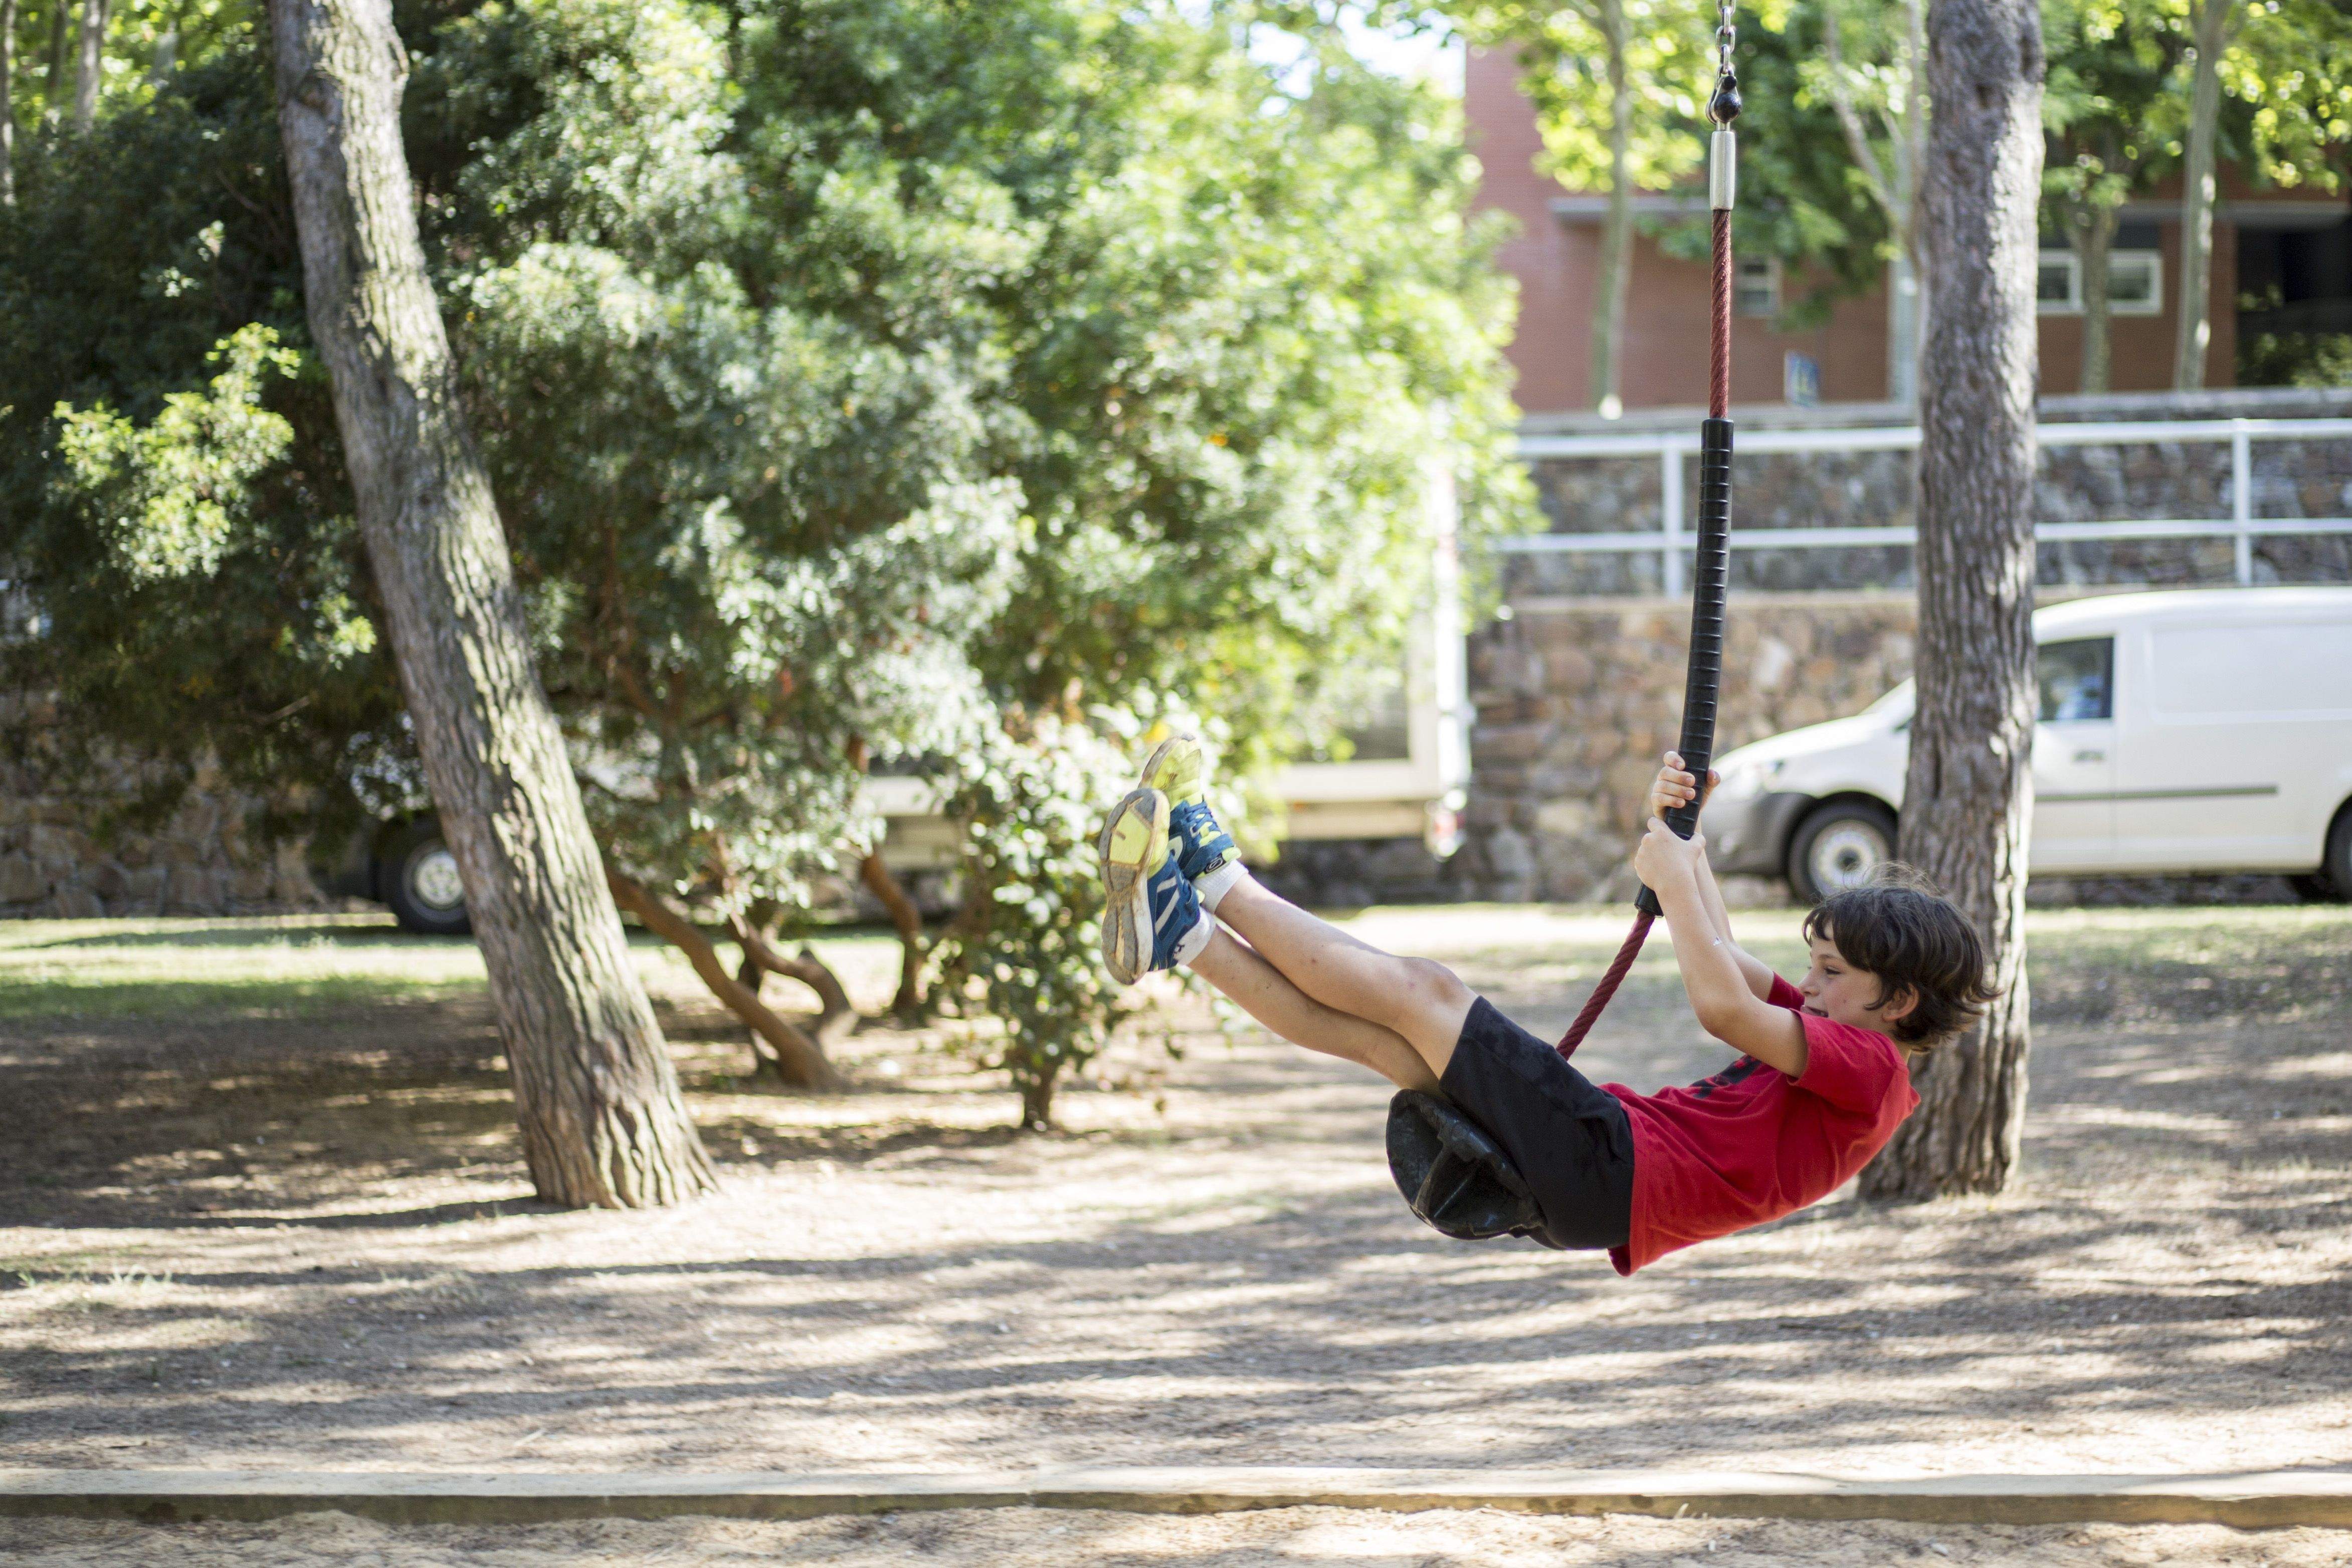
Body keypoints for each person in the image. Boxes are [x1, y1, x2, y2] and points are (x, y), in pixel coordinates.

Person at [1096, 737, 2000, 1273]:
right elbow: (1722, 953)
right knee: (1391, 1043)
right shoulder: (1839, 1038)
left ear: (1900, 1000)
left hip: (1610, 1163)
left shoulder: (1873, 1068)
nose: (1809, 985)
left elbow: (1720, 1005)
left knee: (1428, 993)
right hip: (1600, 1180)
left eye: (1831, 973)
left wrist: (1672, 876)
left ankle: (1218, 878)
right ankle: (1182, 932)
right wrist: (1681, 838)